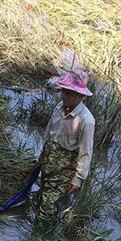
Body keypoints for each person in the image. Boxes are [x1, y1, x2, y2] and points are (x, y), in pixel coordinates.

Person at [37, 69, 95, 215]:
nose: (63, 96)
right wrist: (41, 156)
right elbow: (49, 132)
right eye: (63, 91)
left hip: (64, 170)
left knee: (48, 205)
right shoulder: (59, 107)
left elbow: (85, 152)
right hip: (48, 162)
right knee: (41, 198)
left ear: (80, 96)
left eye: (69, 93)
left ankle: (41, 236)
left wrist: (78, 179)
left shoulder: (85, 120)